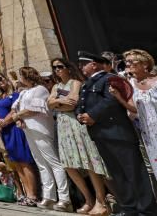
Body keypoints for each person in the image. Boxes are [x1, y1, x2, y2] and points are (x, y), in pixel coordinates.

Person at [75, 50, 156, 216]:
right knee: (117, 174)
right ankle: (129, 207)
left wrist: (93, 115)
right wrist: (80, 115)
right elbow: (80, 103)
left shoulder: (110, 79)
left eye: (84, 64)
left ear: (94, 64)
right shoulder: (86, 84)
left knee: (134, 172)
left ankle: (146, 209)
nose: (81, 67)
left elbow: (112, 100)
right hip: (100, 134)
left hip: (117, 132)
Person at [47, 57, 110, 216]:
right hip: (62, 126)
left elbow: (73, 102)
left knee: (88, 162)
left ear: (68, 67)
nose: (57, 70)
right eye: (54, 68)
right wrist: (60, 103)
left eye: (60, 66)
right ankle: (88, 199)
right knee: (68, 165)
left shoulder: (75, 82)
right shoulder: (56, 86)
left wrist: (56, 103)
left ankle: (100, 200)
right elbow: (48, 104)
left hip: (75, 125)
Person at [12, 65, 71, 211]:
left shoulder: (40, 89)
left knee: (53, 162)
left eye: (22, 76)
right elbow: (16, 106)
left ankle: (64, 198)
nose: (20, 79)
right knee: (41, 163)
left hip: (40, 128)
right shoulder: (24, 92)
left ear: (27, 77)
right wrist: (18, 117)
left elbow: (34, 109)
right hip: (28, 129)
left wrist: (18, 116)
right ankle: (49, 196)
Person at [0, 73, 38, 206]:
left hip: (14, 129)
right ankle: (26, 194)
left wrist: (5, 121)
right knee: (16, 164)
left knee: (24, 162)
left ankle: (32, 195)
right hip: (5, 131)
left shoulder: (15, 94)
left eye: (1, 78)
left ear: (7, 79)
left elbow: (14, 109)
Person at [117, 49, 157, 182]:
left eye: (131, 61)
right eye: (126, 62)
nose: (127, 65)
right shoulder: (130, 86)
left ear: (145, 64)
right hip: (149, 135)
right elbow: (134, 109)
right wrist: (119, 97)